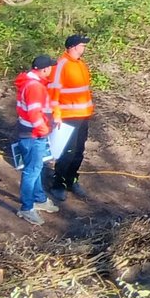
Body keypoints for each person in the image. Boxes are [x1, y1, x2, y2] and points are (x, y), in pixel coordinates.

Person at [46, 34, 94, 201]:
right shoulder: (61, 65)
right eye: (82, 45)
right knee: (67, 152)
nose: (84, 48)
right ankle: (58, 183)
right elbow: (53, 91)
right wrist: (56, 114)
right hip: (67, 116)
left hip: (83, 115)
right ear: (73, 47)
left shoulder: (81, 64)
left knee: (79, 151)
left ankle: (71, 179)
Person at [13, 55, 60, 225]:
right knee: (32, 170)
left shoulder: (30, 83)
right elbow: (34, 114)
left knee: (37, 166)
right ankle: (26, 208)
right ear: (45, 69)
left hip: (30, 133)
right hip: (33, 134)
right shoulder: (35, 87)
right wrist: (44, 130)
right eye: (50, 68)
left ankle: (39, 198)